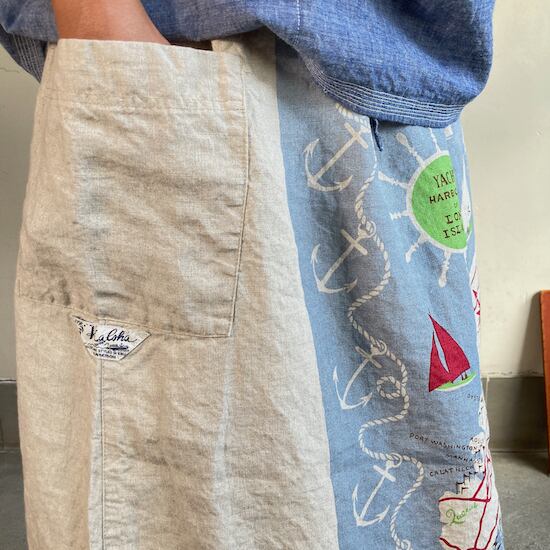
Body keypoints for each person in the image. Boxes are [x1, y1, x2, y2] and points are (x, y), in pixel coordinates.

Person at [1, 1, 504, 548]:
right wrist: (102, 23)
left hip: (406, 99)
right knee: (199, 508)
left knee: (421, 491)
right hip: (197, 75)